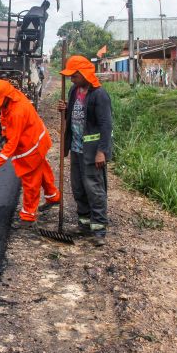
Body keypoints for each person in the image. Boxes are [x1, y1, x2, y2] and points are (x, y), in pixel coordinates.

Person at [0, 79, 61, 228]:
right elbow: (5, 117)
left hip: (32, 146)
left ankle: (28, 217)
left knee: (30, 181)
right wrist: (4, 134)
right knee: (42, 170)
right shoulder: (12, 98)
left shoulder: (18, 112)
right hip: (38, 137)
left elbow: (12, 144)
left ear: (7, 96)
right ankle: (53, 197)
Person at [57, 55, 113, 246]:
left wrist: (102, 151)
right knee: (78, 186)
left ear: (83, 74)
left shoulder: (99, 95)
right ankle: (84, 222)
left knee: (94, 188)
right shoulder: (74, 90)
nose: (71, 79)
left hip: (92, 150)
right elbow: (73, 113)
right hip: (76, 147)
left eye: (74, 75)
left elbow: (106, 125)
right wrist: (65, 108)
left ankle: (98, 228)